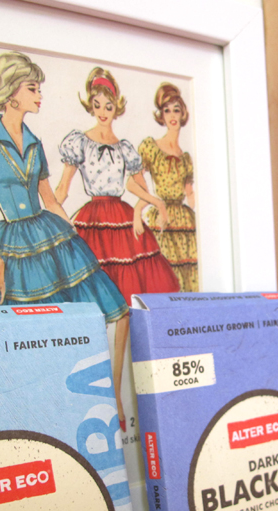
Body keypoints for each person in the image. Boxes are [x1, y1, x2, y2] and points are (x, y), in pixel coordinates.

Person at [0, 52, 130, 425]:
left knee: (118, 312)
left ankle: (111, 401)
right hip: (6, 245)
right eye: (33, 88)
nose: (40, 95)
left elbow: (50, 199)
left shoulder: (33, 140)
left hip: (48, 234)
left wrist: (76, 238)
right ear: (12, 93)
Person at [55, 67, 180, 429]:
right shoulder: (80, 142)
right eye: (97, 105)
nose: (103, 111)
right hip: (93, 223)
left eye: (108, 105)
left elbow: (137, 187)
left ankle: (117, 396)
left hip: (122, 224)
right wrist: (51, 216)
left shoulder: (125, 147)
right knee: (90, 309)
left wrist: (149, 204)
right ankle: (84, 394)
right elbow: (62, 189)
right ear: (90, 105)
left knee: (124, 310)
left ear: (117, 106)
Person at [137, 83, 199, 292]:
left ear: (183, 114)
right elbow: (133, 182)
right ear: (161, 116)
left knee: (188, 280)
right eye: (167, 110)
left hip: (184, 221)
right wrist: (140, 209)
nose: (172, 115)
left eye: (176, 110)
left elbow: (190, 194)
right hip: (161, 220)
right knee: (165, 278)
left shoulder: (187, 158)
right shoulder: (152, 147)